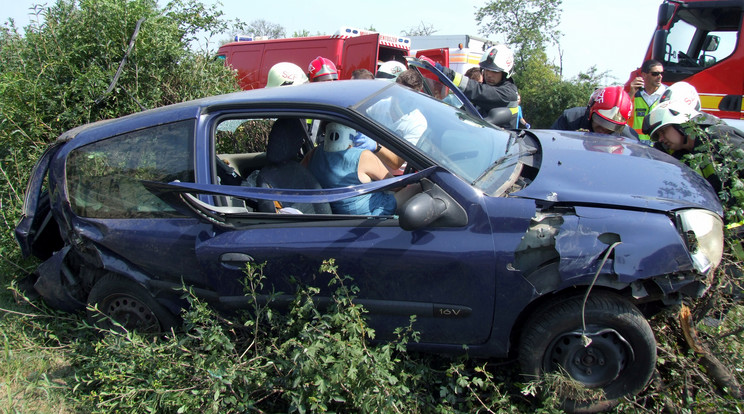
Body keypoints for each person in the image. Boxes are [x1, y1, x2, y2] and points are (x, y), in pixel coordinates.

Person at [306, 122, 418, 215]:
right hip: (371, 215)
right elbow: (396, 186)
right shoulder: (363, 157)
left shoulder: (313, 154)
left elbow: (301, 178)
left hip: (337, 215)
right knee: (417, 187)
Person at [643, 101, 738, 196]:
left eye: (663, 131)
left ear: (680, 125)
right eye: (658, 135)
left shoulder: (720, 138)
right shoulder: (676, 153)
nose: (660, 139)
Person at [354, 69, 428, 170]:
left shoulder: (417, 122)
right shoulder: (379, 105)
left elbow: (396, 163)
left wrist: (376, 146)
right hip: (368, 166)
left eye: (408, 98)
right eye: (400, 95)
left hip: (393, 178)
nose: (402, 101)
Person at [432, 44, 520, 119]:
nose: (489, 75)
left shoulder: (508, 93)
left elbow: (478, 91)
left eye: (494, 72)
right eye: (486, 70)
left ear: (505, 74)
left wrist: (443, 71)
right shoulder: (485, 88)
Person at [551, 85, 638, 139]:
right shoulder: (570, 119)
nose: (604, 128)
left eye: (613, 126)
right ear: (590, 111)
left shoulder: (629, 139)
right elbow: (552, 143)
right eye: (601, 121)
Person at [628, 59, 668, 143]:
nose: (660, 76)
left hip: (660, 146)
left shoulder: (668, 94)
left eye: (662, 73)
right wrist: (631, 93)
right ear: (644, 75)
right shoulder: (634, 94)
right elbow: (620, 114)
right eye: (655, 74)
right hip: (635, 146)